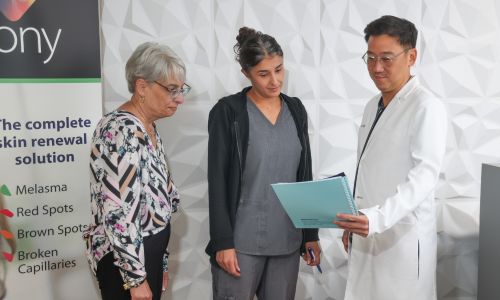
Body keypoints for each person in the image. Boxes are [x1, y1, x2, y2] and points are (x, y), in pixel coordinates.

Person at [334, 15, 447, 300]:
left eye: (386, 58)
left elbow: (425, 176)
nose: (376, 68)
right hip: (367, 230)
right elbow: (368, 168)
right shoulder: (373, 105)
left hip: (402, 239)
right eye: (370, 58)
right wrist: (355, 219)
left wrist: (376, 218)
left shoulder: (426, 106)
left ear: (412, 56)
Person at [205, 27, 321, 300]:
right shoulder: (229, 111)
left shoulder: (296, 109)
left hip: (287, 241)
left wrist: (309, 234)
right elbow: (218, 180)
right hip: (240, 244)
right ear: (246, 73)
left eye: (279, 70)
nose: (274, 81)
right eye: (263, 73)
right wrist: (223, 242)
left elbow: (303, 174)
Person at [83, 42, 190, 300]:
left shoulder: (147, 126)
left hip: (144, 255)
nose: (180, 98)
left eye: (181, 89)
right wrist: (135, 278)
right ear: (142, 87)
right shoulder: (121, 131)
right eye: (172, 90)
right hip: (125, 263)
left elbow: (156, 202)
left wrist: (160, 261)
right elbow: (117, 211)